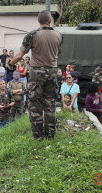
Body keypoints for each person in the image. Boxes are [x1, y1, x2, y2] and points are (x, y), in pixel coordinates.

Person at [9, 10, 62, 139]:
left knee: (35, 105)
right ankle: (50, 135)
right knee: (50, 103)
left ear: (38, 21)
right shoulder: (58, 35)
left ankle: (38, 136)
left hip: (37, 72)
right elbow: (57, 53)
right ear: (50, 20)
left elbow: (20, 55)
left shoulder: (32, 35)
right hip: (53, 71)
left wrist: (11, 63)